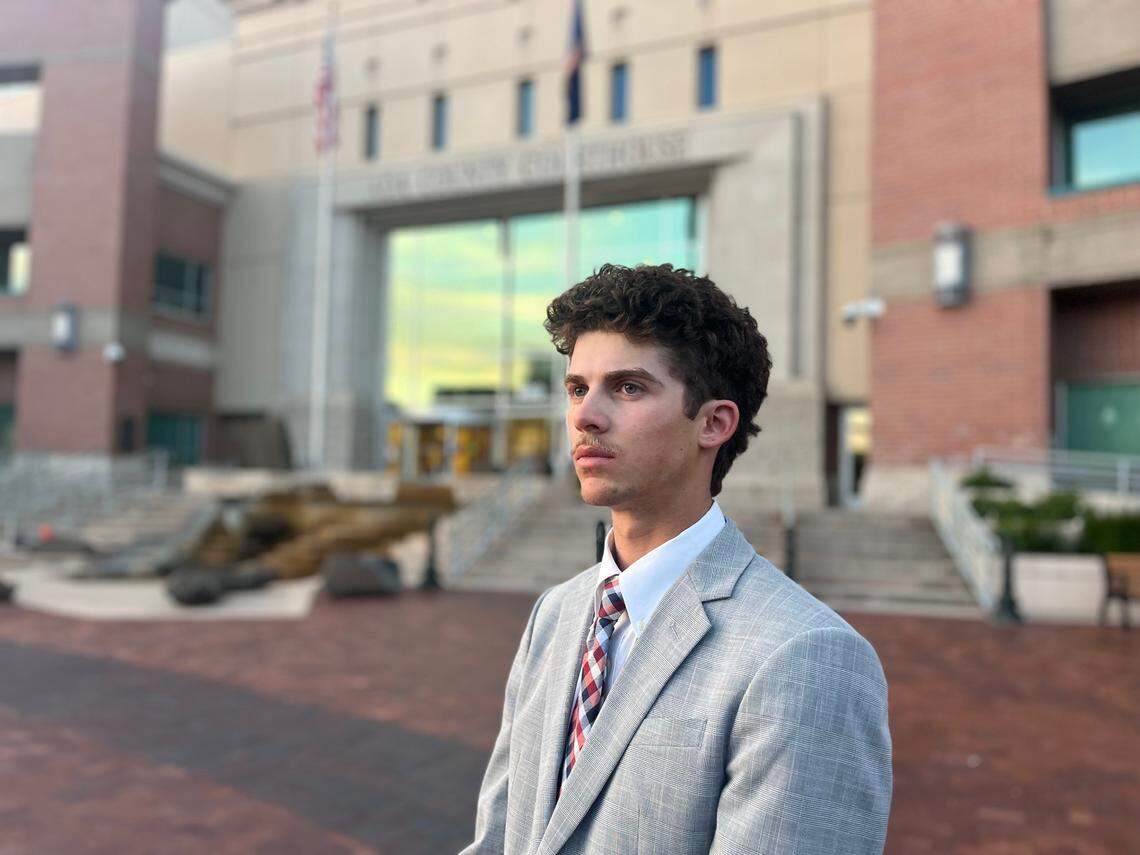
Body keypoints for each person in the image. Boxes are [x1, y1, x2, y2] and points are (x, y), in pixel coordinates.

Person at [461, 264, 892, 855]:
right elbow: (497, 838)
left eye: (628, 388)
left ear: (714, 423)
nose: (585, 416)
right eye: (578, 388)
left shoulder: (805, 654)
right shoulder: (554, 614)